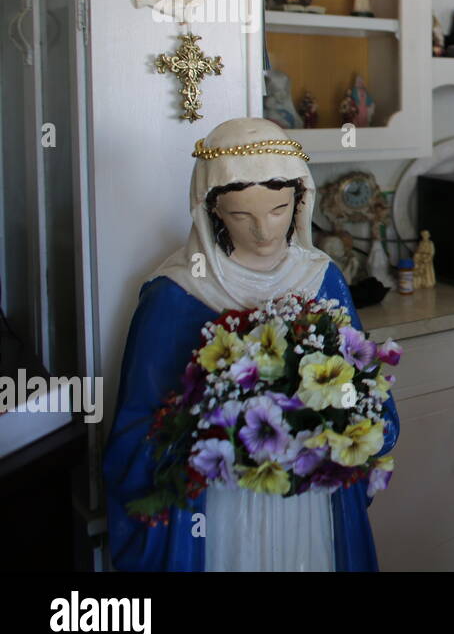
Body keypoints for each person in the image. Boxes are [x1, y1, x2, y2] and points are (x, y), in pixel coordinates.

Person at [103, 117, 400, 571]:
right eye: (242, 215)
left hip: (308, 506)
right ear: (212, 211)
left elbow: (366, 388)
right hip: (223, 515)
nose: (263, 231)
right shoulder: (175, 295)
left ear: (301, 201)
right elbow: (136, 430)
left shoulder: (321, 278)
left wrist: (336, 425)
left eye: (278, 210)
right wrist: (221, 428)